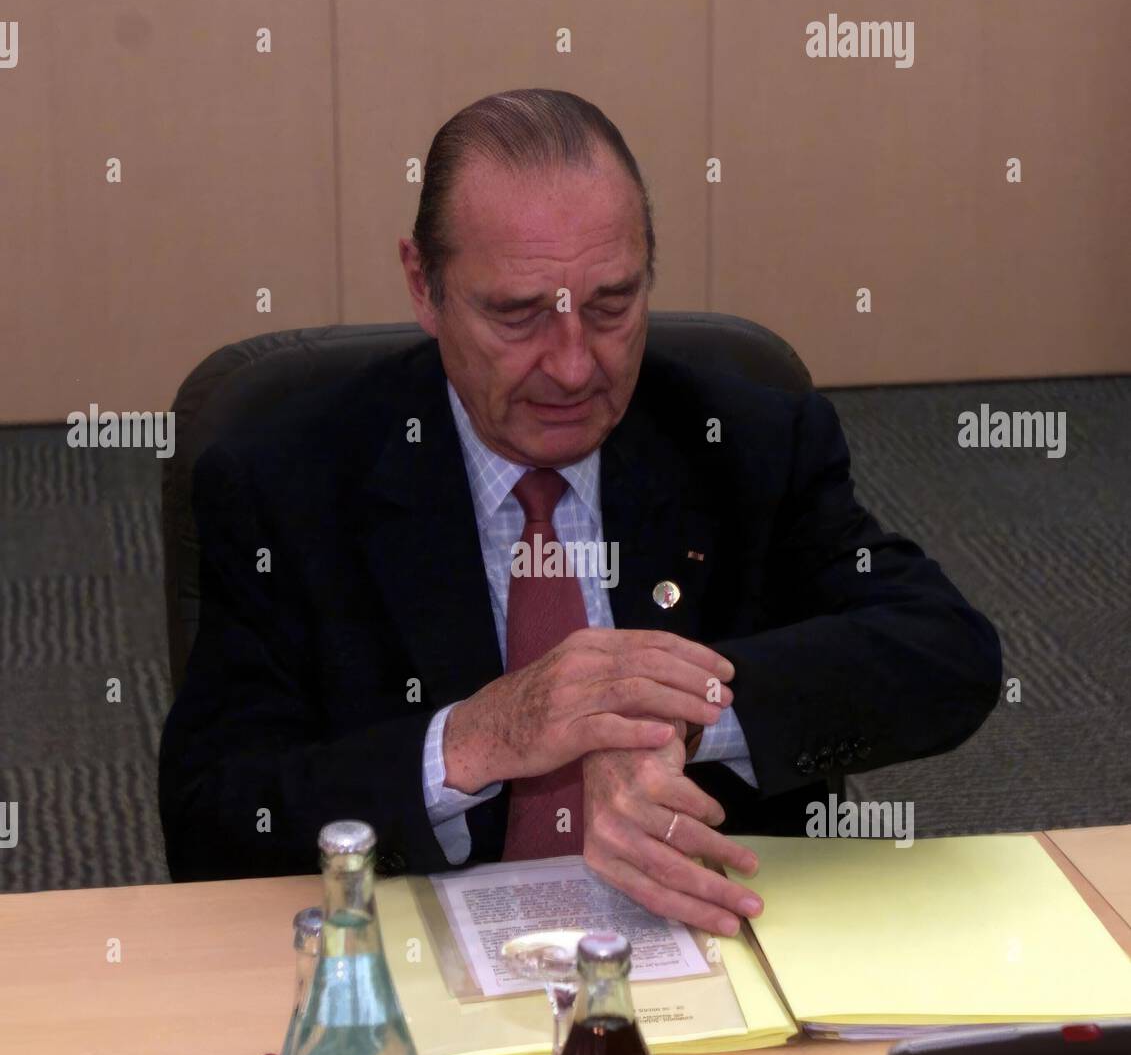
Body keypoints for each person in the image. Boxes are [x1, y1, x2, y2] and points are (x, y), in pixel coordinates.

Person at [159, 88, 1001, 935]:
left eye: (609, 306)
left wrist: (656, 712)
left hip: (707, 934)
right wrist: (478, 740)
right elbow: (214, 817)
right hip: (414, 954)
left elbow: (947, 655)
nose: (571, 368)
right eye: (517, 315)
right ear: (424, 286)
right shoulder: (288, 481)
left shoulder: (744, 440)